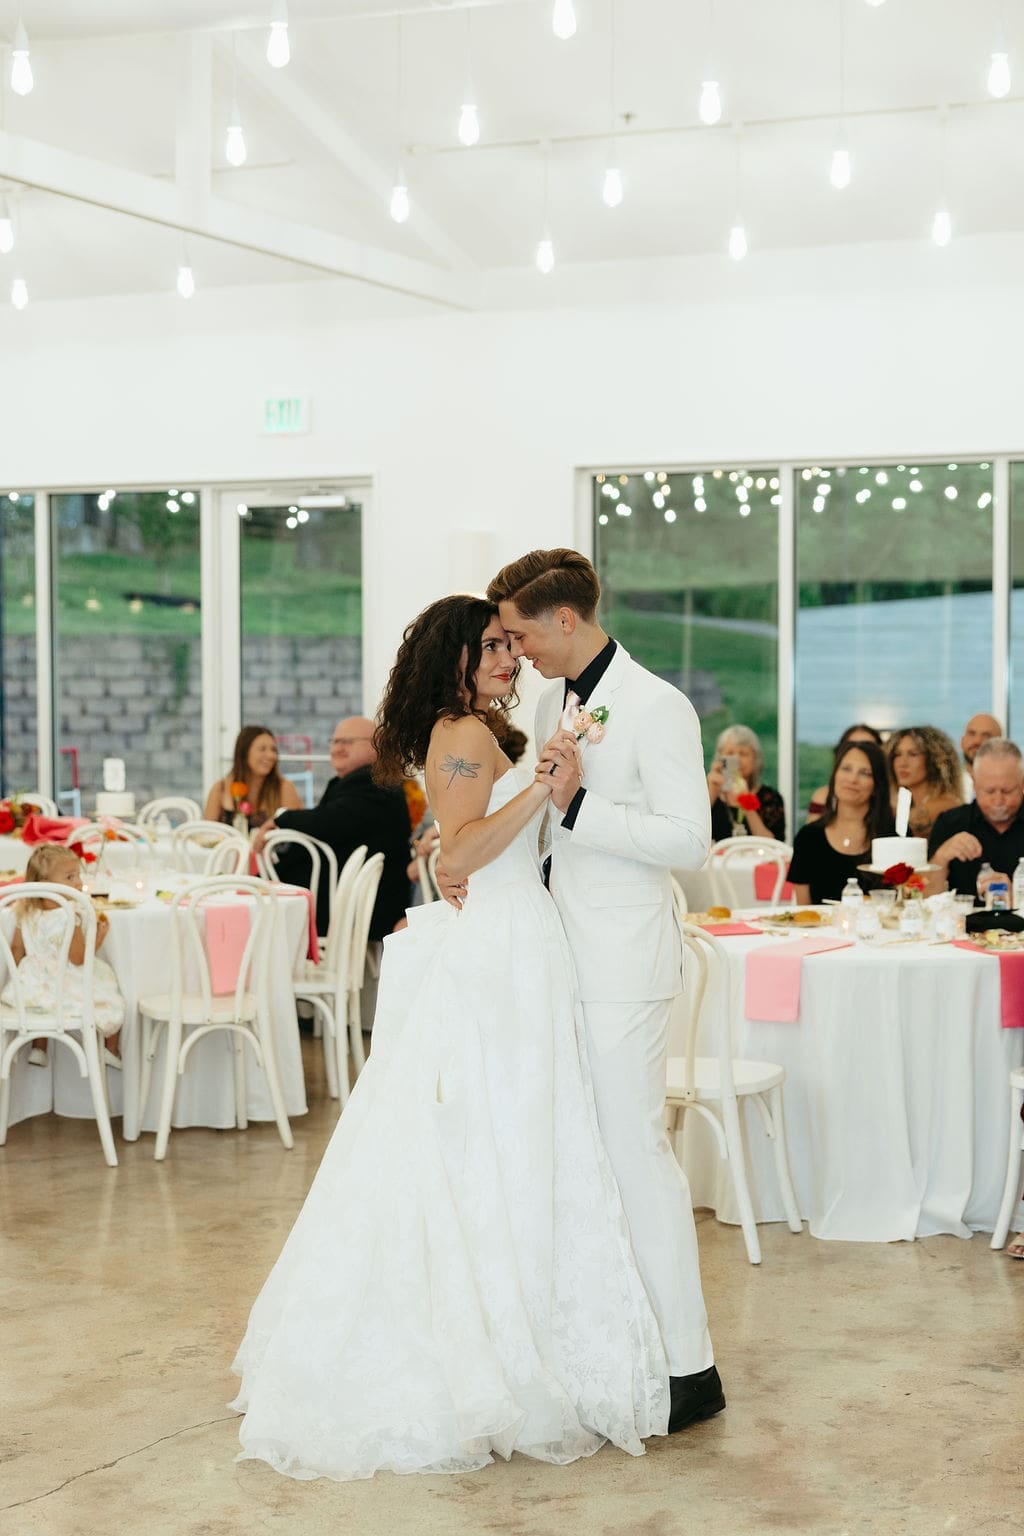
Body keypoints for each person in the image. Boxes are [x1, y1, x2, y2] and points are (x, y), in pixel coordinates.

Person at [231, 595, 670, 1479]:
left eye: (512, 645)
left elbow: (448, 844)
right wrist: (540, 794)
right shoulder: (465, 732)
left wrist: (494, 815)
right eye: (496, 648)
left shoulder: (473, 731)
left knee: (506, 1142)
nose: (511, 659)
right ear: (461, 660)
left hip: (519, 940)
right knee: (498, 1142)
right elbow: (464, 855)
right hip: (503, 951)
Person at [484, 547, 723, 1438]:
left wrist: (580, 808)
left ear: (567, 621)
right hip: (561, 957)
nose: (517, 652)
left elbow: (687, 842)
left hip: (625, 969)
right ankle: (617, 1347)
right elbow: (550, 825)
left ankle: (690, 1367)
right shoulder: (553, 702)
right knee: (586, 1157)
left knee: (636, 1156)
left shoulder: (661, 706)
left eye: (522, 633)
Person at [253, 718, 412, 938]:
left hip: (359, 904)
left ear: (376, 745)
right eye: (335, 741)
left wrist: (281, 818)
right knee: (262, 892)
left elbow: (328, 821)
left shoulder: (375, 781)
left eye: (347, 742)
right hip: (346, 896)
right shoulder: (366, 780)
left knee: (260, 900)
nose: (337, 748)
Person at [2, 843, 125, 1070]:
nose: (78, 882)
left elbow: (16, 950)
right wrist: (98, 939)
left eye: (78, 875)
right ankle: (110, 1049)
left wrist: (19, 980)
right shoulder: (70, 913)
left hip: (31, 991)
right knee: (110, 994)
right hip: (64, 987)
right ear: (45, 885)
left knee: (43, 1008)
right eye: (70, 877)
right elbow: (78, 958)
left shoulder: (24, 911)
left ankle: (39, 1048)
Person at [788, 741, 893, 905]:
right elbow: (803, 911)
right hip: (820, 930)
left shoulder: (894, 838)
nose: (852, 779)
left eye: (865, 773)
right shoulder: (809, 837)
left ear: (877, 786)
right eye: (846, 769)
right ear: (834, 775)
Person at [928, 738, 1024, 899]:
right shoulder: (950, 822)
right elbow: (926, 897)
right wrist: (942, 856)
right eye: (989, 791)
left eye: (1007, 791)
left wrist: (1018, 897)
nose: (998, 801)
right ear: (974, 783)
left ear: (1022, 783)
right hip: (965, 922)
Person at [203, 725, 303, 830]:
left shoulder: (284, 788)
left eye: (273, 750)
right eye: (262, 749)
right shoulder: (220, 789)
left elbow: (295, 835)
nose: (270, 755)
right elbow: (207, 835)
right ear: (244, 753)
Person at [706, 725, 785, 842]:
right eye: (730, 753)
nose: (737, 759)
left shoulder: (770, 797)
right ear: (720, 757)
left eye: (743, 754)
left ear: (755, 759)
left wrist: (746, 801)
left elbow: (774, 846)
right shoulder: (707, 793)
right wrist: (711, 792)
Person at [886, 725, 963, 840]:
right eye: (897, 754)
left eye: (913, 754)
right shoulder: (909, 806)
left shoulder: (947, 804)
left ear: (934, 760)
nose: (903, 763)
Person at [805, 723, 884, 821]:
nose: (858, 751)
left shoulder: (894, 802)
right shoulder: (823, 797)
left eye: (868, 746)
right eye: (850, 745)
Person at [960, 712, 1003, 802]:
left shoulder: (1013, 788)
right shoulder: (944, 787)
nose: (977, 741)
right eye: (972, 734)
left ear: (1001, 745)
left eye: (986, 736)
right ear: (962, 741)